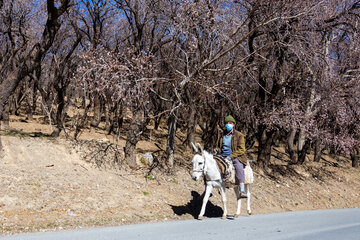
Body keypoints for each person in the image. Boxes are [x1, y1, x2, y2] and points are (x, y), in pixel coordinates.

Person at [216, 115, 248, 198]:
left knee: (238, 166)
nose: (228, 125)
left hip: (235, 156)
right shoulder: (222, 134)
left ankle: (242, 189)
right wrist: (217, 151)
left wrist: (231, 156)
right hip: (222, 155)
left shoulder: (239, 135)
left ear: (233, 124)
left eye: (230, 123)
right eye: (226, 123)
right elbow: (219, 146)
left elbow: (241, 149)